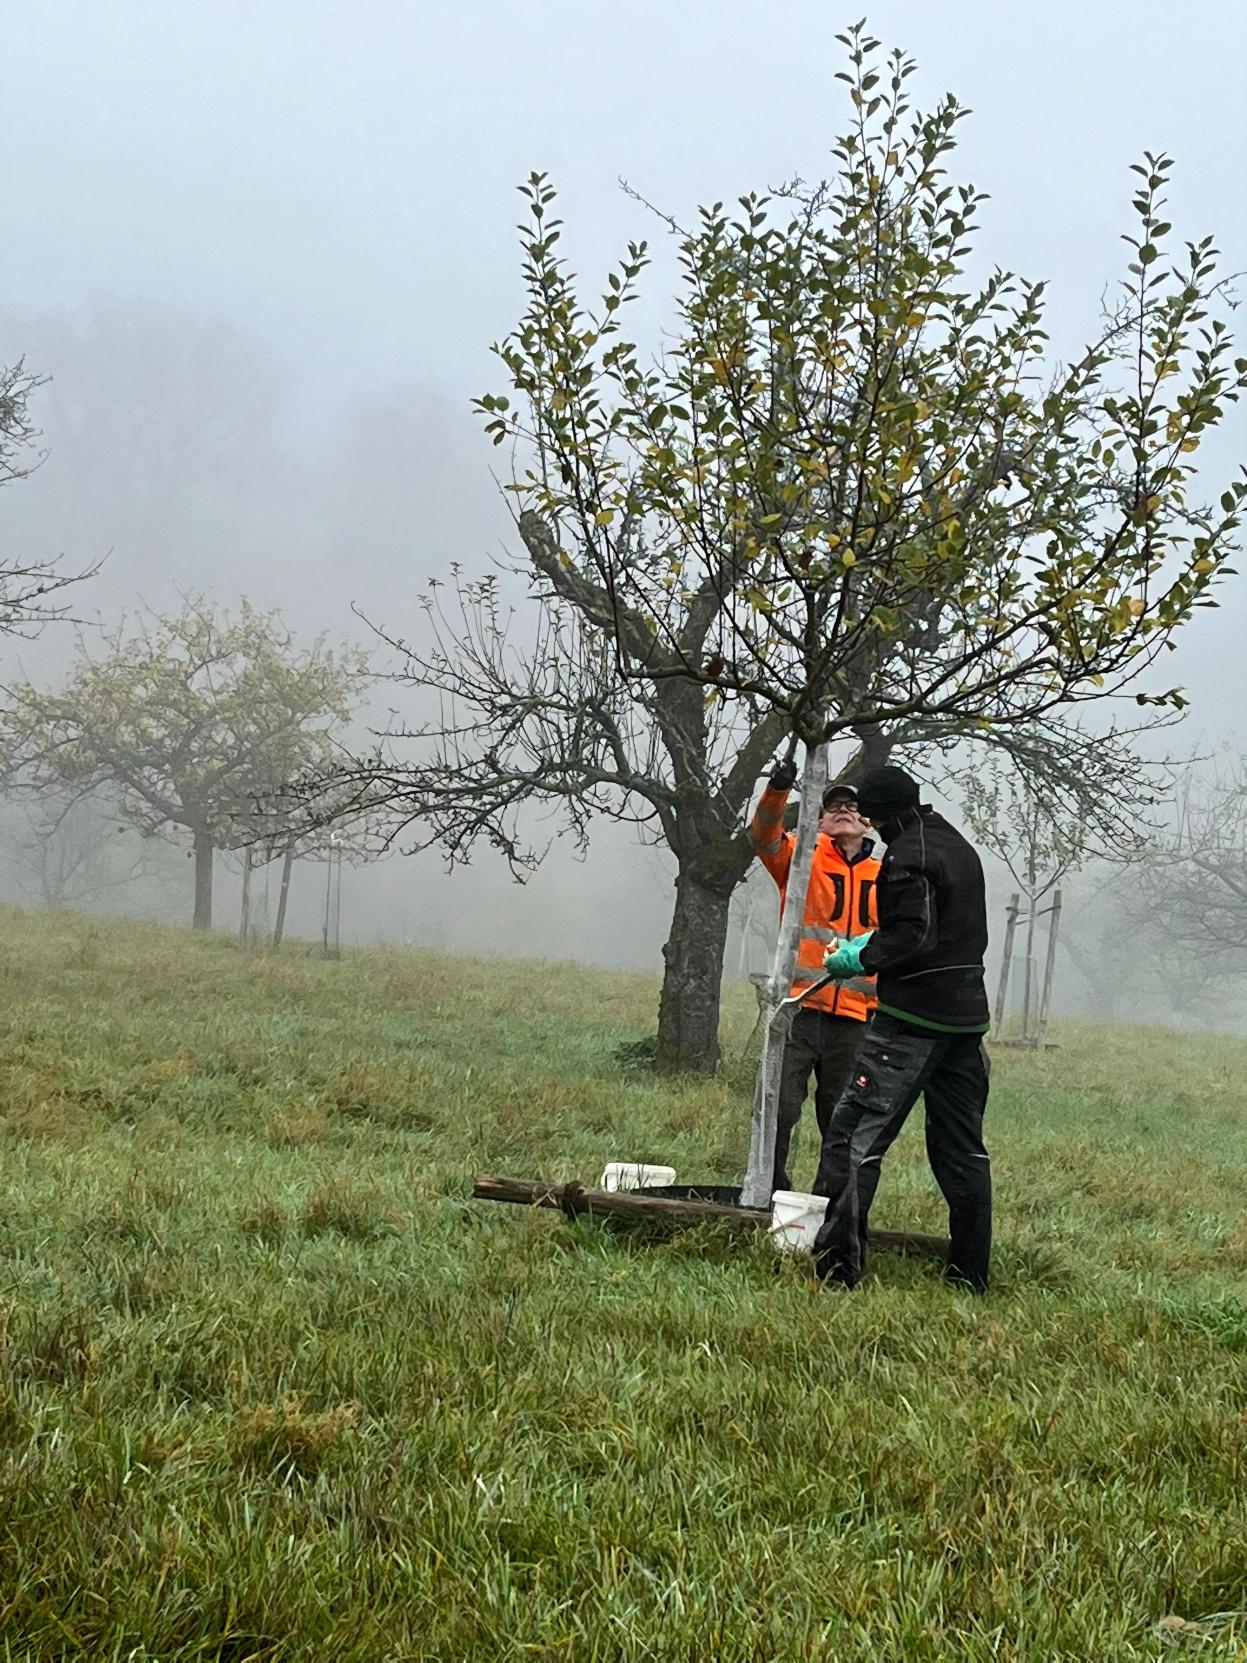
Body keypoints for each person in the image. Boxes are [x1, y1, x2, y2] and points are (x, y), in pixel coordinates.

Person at [811, 764, 992, 1292]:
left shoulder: (906, 856)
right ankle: (970, 1276)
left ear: (877, 814)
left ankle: (836, 1271)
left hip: (912, 1020)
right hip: (967, 1022)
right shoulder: (957, 845)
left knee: (853, 1137)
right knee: (963, 1150)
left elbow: (914, 937)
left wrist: (858, 956)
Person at [749, 757, 880, 1194]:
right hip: (799, 1009)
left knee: (842, 1117)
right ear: (818, 821)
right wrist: (778, 789)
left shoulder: (887, 874)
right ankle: (770, 1194)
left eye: (851, 806)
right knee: (780, 1108)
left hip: (857, 1018)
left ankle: (831, 1204)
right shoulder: (799, 857)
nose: (842, 809)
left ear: (868, 822)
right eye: (832, 806)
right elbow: (762, 835)